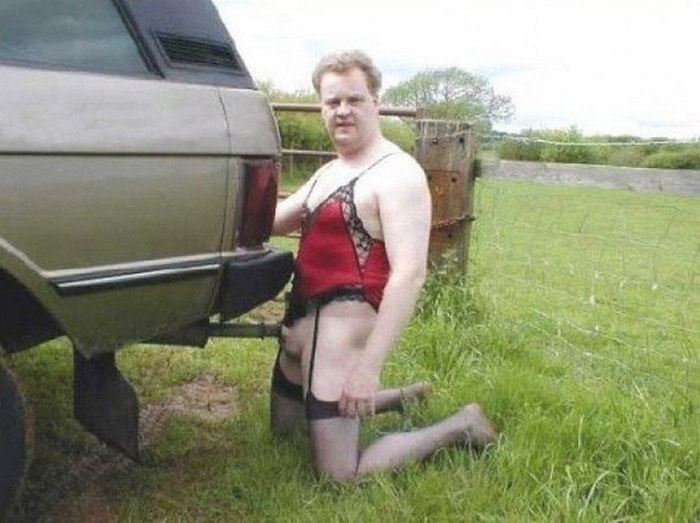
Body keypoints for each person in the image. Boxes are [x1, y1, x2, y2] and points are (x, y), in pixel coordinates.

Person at [270, 49, 496, 481]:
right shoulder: (330, 171)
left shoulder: (398, 175)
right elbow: (278, 220)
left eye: (354, 100)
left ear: (376, 102)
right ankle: (399, 398)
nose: (342, 111)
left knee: (340, 474)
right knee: (282, 436)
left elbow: (410, 275)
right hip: (300, 328)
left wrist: (368, 369)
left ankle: (461, 425)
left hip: (342, 336)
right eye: (332, 102)